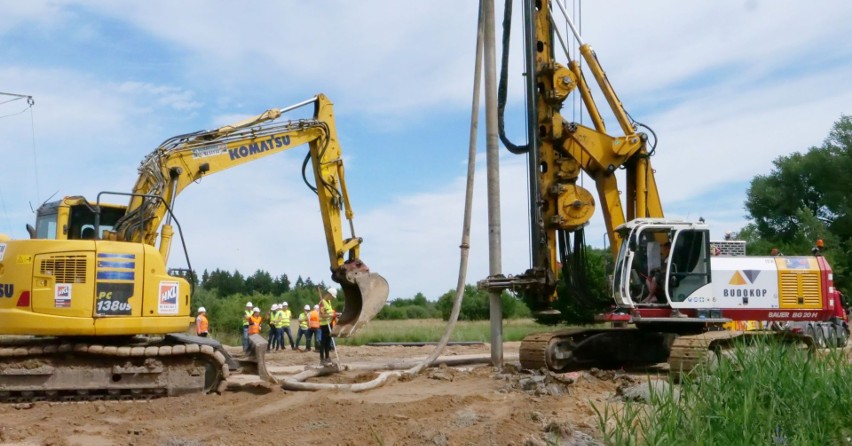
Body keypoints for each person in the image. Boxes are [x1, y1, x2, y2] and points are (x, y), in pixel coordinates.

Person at [318, 287, 337, 365]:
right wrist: (331, 315)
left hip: (329, 324)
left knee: (328, 342)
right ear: (329, 294)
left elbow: (329, 313)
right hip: (324, 325)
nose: (332, 298)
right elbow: (322, 316)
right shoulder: (322, 303)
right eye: (332, 296)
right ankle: (322, 359)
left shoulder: (328, 302)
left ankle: (327, 357)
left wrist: (333, 315)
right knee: (324, 342)